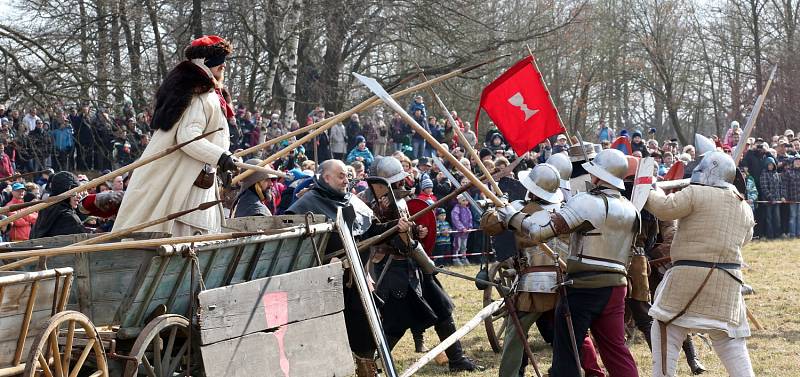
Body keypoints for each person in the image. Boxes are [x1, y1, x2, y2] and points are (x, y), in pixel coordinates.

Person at [493, 148, 639, 377]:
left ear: (599, 176)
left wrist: (513, 216)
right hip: (617, 285)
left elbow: (540, 232)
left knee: (567, 346)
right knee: (615, 349)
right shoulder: (631, 209)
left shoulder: (587, 202)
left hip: (584, 286)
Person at [644, 151, 756, 377]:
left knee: (666, 327)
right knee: (730, 342)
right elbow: (745, 239)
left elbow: (665, 208)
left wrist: (647, 188)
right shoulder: (744, 205)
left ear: (708, 170)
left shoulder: (696, 192)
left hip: (690, 279)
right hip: (729, 282)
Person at [113, 35, 237, 236]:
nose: (223, 68)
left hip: (200, 179)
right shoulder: (201, 97)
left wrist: (222, 163)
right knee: (190, 236)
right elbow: (188, 137)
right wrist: (221, 157)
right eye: (219, 63)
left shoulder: (205, 94)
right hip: (189, 186)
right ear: (205, 63)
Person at [31, 172, 88, 238]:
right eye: (75, 192)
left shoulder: (45, 211)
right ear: (65, 191)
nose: (79, 196)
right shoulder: (68, 217)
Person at [759, 156, 785, 239]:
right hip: (768, 201)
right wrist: (771, 197)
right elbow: (764, 188)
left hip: (777, 201)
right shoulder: (763, 174)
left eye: (772, 165)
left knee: (777, 218)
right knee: (769, 218)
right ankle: (770, 235)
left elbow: (780, 186)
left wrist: (781, 196)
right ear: (766, 165)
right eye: (769, 165)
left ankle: (777, 235)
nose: (770, 166)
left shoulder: (776, 174)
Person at [450, 193, 473, 266]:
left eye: (466, 200)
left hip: (466, 232)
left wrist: (470, 227)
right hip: (458, 232)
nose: (465, 202)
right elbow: (455, 219)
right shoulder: (456, 209)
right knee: (457, 245)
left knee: (464, 246)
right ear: (459, 201)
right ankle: (455, 258)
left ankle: (464, 257)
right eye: (463, 200)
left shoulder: (467, 209)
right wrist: (461, 228)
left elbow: (470, 219)